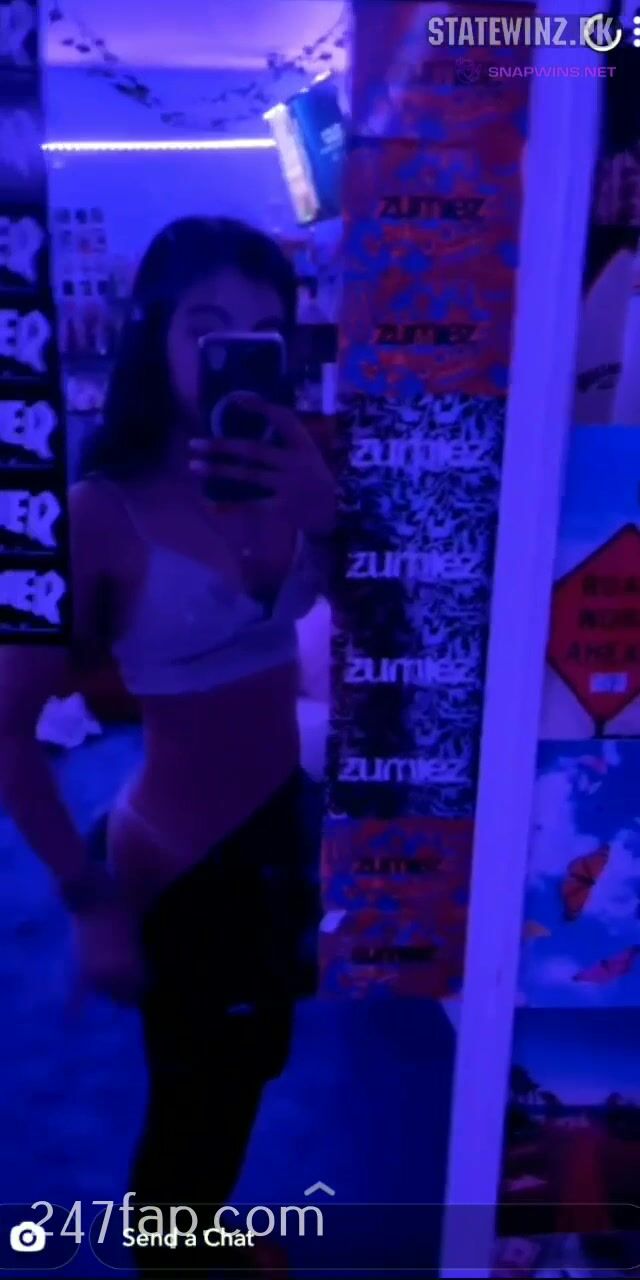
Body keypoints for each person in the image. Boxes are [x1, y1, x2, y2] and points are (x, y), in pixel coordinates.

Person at [0, 217, 335, 1270]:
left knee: (254, 1058)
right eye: (207, 325)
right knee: (197, 1092)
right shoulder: (95, 512)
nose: (236, 349)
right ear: (154, 333)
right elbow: (6, 730)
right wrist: (89, 899)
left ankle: (203, 1229)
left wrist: (326, 518)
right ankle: (177, 1253)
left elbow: (377, 627)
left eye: (264, 330)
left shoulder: (293, 473)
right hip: (184, 859)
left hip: (282, 824)